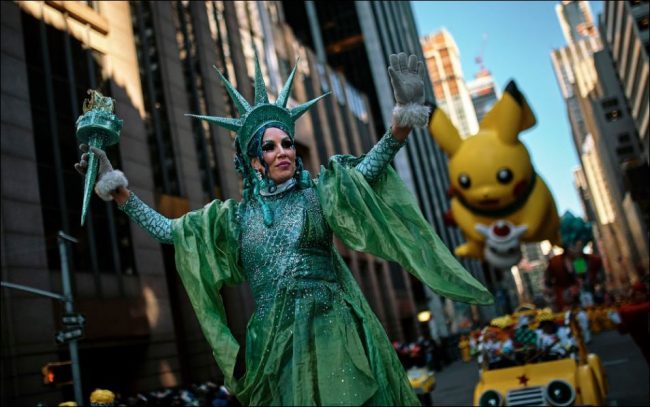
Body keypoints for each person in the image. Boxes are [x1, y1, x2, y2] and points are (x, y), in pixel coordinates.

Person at [75, 51, 492, 406]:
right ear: (255, 162)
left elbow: (365, 172)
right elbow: (169, 232)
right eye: (270, 147)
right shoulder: (233, 219)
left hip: (334, 331)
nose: (282, 152)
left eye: (287, 143)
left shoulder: (319, 194)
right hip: (274, 348)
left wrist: (400, 123)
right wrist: (120, 192)